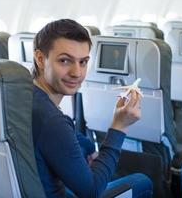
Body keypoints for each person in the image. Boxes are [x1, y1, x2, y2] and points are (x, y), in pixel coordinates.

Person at [32, 19, 153, 198]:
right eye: (65, 61)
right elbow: (92, 191)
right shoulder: (52, 121)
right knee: (142, 182)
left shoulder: (26, 93)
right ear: (41, 59)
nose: (77, 73)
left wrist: (90, 149)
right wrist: (119, 126)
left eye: (83, 62)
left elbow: (64, 135)